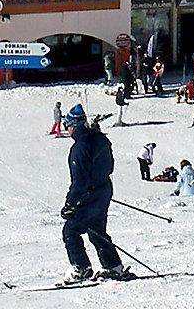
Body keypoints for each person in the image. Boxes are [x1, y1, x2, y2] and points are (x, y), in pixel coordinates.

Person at [59, 112, 133, 286]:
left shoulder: (79, 148)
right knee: (96, 230)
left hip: (88, 194)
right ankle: (113, 266)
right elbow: (110, 166)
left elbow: (79, 181)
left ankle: (81, 268)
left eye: (67, 126)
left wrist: (70, 204)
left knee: (70, 231)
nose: (67, 130)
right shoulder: (100, 139)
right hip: (104, 189)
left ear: (73, 126)